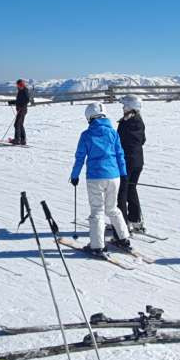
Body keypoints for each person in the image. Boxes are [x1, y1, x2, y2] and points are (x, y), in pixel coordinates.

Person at [69, 103, 130, 256]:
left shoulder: (86, 135)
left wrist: (75, 175)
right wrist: (123, 174)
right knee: (112, 209)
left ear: (89, 117)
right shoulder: (113, 133)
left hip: (96, 177)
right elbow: (120, 155)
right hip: (114, 176)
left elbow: (80, 157)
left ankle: (97, 246)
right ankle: (124, 239)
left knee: (97, 211)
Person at [116, 97, 146, 233]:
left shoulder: (125, 123)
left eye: (124, 106)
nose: (123, 108)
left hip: (126, 162)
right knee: (131, 189)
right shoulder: (140, 121)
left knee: (122, 191)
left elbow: (118, 142)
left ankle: (122, 223)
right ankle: (135, 220)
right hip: (138, 162)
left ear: (129, 107)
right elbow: (143, 140)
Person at [7, 79, 30, 145]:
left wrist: (21, 106)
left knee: (17, 124)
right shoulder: (21, 90)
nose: (18, 86)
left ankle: (17, 140)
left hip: (22, 110)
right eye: (18, 85)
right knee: (20, 124)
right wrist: (12, 102)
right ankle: (22, 140)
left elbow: (27, 99)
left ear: (22, 84)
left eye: (19, 85)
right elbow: (19, 100)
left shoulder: (24, 90)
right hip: (21, 109)